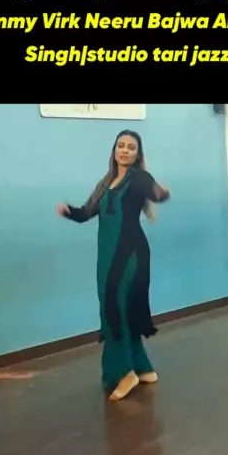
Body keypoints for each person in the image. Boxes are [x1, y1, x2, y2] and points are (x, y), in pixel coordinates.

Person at [57, 130, 170, 401]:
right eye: (121, 145)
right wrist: (68, 211)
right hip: (107, 256)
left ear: (138, 154)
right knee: (122, 309)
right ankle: (142, 367)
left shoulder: (139, 178)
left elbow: (154, 193)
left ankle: (124, 373)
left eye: (131, 147)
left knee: (115, 310)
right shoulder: (106, 182)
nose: (125, 150)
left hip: (130, 255)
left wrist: (162, 194)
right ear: (114, 150)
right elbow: (86, 213)